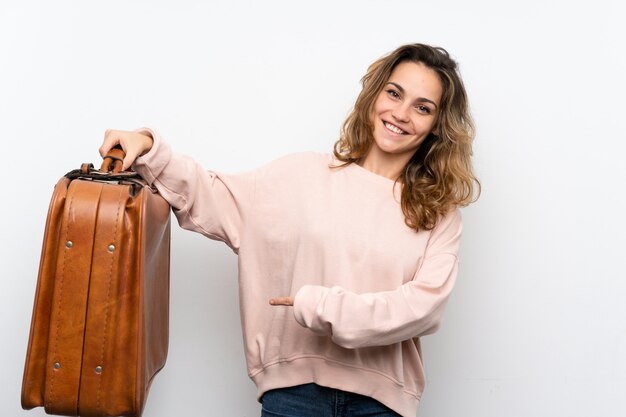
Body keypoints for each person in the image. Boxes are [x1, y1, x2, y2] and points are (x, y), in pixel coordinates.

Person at [99, 43, 479, 417]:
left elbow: (424, 309)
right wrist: (149, 147)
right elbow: (210, 194)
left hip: (382, 405)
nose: (400, 113)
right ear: (373, 95)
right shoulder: (300, 176)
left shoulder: (438, 215)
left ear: (436, 127)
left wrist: (322, 306)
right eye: (393, 93)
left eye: (422, 107)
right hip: (294, 397)